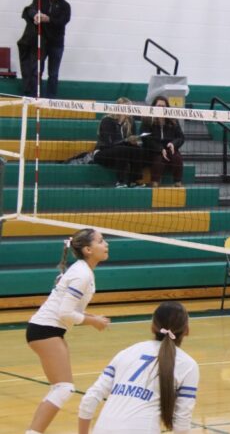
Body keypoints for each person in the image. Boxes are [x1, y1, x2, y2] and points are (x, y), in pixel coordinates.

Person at [25, 228, 111, 434]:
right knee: (63, 388)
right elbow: (65, 313)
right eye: (101, 241)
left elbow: (70, 309)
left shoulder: (83, 270)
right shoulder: (81, 274)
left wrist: (92, 318)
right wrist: (93, 322)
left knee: (61, 387)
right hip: (45, 330)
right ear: (88, 249)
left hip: (47, 330)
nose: (106, 244)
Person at [77, 302, 198, 434]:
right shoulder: (188, 365)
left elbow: (89, 399)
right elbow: (181, 426)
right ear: (187, 330)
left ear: (152, 327)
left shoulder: (127, 352)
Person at [17, 0, 71, 98]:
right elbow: (30, 10)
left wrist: (48, 19)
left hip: (56, 44)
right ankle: (35, 95)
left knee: (53, 73)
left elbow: (63, 21)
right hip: (41, 42)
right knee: (37, 70)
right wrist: (35, 15)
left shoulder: (65, 5)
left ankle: (51, 98)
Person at [93, 97, 144, 188]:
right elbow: (109, 142)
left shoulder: (131, 122)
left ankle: (134, 181)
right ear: (118, 108)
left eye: (129, 108)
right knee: (122, 149)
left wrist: (134, 141)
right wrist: (125, 140)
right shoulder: (107, 120)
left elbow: (132, 139)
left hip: (121, 152)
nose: (128, 110)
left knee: (138, 149)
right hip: (103, 152)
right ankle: (120, 181)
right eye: (125, 108)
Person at [141, 96, 185, 188]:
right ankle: (155, 182)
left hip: (169, 148)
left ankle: (178, 182)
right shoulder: (147, 120)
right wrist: (160, 149)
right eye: (159, 106)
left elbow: (181, 137)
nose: (161, 108)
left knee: (177, 157)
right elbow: (145, 138)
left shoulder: (173, 120)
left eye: (163, 106)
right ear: (154, 107)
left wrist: (173, 144)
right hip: (153, 149)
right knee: (158, 159)